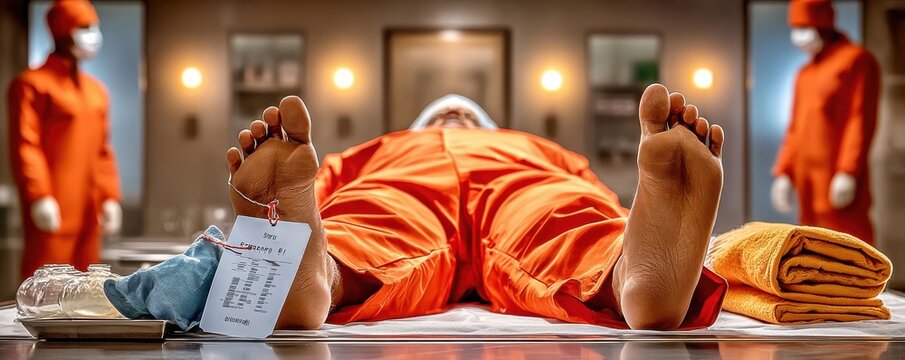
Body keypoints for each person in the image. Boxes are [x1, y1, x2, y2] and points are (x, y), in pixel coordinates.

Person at [224, 83, 727, 331]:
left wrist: (647, 217)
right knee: (364, 221)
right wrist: (290, 203)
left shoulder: (535, 146)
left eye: (463, 112)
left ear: (485, 124)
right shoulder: (381, 148)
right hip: (403, 182)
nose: (454, 115)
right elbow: (319, 193)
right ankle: (312, 277)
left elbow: (592, 196)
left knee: (567, 217)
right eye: (445, 112)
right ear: (423, 124)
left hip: (523, 181)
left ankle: (632, 278)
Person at [7, 0, 121, 280]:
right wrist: (39, 195)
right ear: (62, 31)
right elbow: (26, 144)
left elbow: (103, 151)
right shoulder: (32, 86)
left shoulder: (97, 92)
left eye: (94, 26)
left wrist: (109, 197)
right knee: (44, 289)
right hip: (53, 211)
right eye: (84, 27)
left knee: (85, 293)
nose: (93, 34)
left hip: (89, 214)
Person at [771, 0, 880, 244]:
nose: (798, 36)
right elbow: (795, 127)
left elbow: (860, 119)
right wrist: (784, 172)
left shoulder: (856, 60)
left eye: (804, 26)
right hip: (806, 180)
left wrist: (848, 171)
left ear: (822, 24)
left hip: (834, 175)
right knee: (813, 247)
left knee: (849, 242)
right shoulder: (804, 74)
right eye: (795, 27)